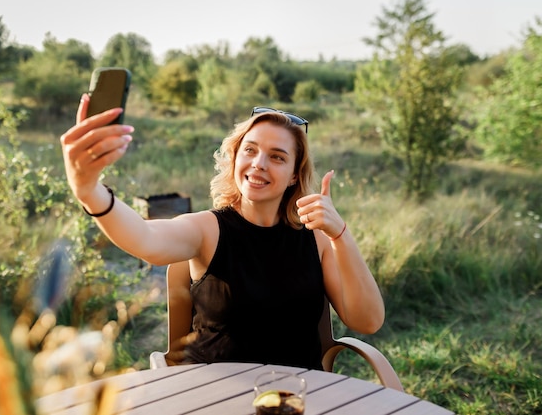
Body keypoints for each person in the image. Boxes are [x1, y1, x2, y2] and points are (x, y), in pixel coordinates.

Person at [60, 96, 385, 369]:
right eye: (250, 150)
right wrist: (89, 190)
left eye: (277, 156)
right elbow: (146, 239)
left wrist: (340, 234)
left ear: (292, 177)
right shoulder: (208, 229)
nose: (259, 163)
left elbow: (368, 321)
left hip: (295, 400)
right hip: (214, 396)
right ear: (234, 157)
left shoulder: (316, 238)